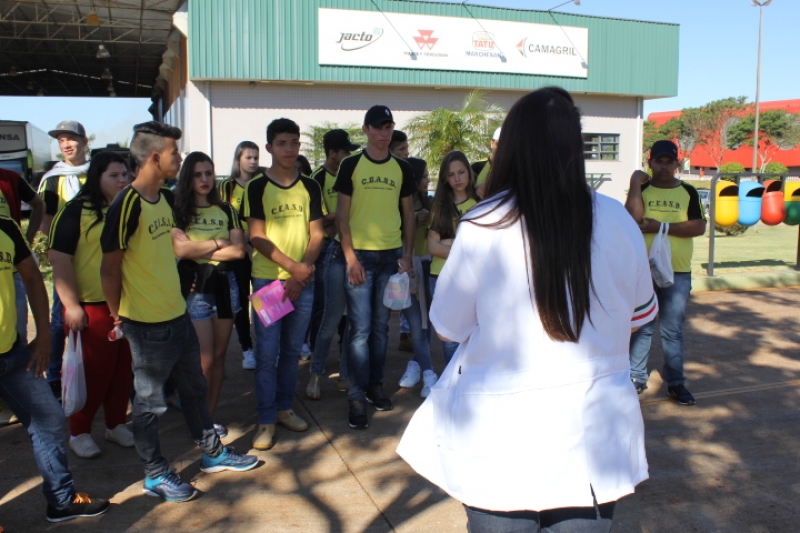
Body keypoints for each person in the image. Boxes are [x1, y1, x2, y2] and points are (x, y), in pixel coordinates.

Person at [397, 87, 658, 532]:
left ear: (512, 148)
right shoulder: (619, 221)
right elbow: (639, 318)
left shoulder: (483, 223)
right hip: (595, 442)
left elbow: (447, 328)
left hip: (502, 443)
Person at [100, 121, 257, 503]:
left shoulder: (166, 200)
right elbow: (109, 267)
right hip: (146, 323)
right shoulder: (127, 203)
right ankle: (155, 475)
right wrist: (118, 314)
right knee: (149, 405)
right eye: (175, 153)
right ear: (156, 157)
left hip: (177, 313)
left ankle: (212, 453)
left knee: (194, 388)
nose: (180, 158)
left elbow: (179, 247)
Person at [0, 215, 111, 522]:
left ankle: (61, 501)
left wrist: (44, 336)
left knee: (49, 419)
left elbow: (33, 278)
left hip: (13, 354)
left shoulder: (5, 227)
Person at [47, 151, 134, 459]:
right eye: (114, 175)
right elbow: (58, 259)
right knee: (91, 375)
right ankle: (79, 431)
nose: (122, 180)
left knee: (122, 373)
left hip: (127, 306)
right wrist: (71, 305)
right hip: (90, 308)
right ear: (97, 178)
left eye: (125, 174)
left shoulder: (127, 208)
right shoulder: (75, 211)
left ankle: (116, 424)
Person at [334, 105, 416, 429]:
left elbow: (409, 214)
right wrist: (351, 258)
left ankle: (374, 388)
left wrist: (407, 255)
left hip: (390, 258)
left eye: (389, 127)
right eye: (379, 127)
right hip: (361, 258)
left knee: (382, 328)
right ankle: (356, 397)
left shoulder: (401, 167)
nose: (384, 133)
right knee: (360, 330)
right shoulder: (351, 164)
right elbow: (342, 216)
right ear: (366, 130)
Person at [243, 118, 324, 450]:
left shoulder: (311, 187)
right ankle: (265, 419)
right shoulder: (257, 187)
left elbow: (316, 234)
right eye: (282, 143)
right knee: (267, 353)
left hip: (303, 280)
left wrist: (301, 272)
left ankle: (284, 408)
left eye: (294, 142)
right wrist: (292, 269)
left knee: (292, 352)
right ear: (269, 148)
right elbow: (257, 237)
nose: (289, 149)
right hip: (268, 280)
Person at [625, 139, 706, 404]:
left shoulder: (688, 192)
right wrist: (635, 184)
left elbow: (699, 226)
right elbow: (631, 219)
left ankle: (676, 382)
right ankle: (636, 378)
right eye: (658, 161)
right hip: (643, 270)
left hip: (677, 272)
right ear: (650, 163)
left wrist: (662, 226)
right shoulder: (642, 190)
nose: (663, 166)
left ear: (677, 164)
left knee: (672, 330)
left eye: (669, 162)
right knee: (642, 326)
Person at [173, 152, 246, 437]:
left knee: (218, 358)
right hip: (196, 290)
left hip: (226, 287)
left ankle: (208, 421)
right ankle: (199, 420)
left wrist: (198, 248)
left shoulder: (226, 209)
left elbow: (238, 251)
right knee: (202, 361)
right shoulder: (179, 210)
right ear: (187, 177)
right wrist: (218, 241)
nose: (204, 179)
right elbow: (181, 250)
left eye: (208, 173)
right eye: (197, 174)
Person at [39, 120, 91, 400]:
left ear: (85, 141)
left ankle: (93, 373)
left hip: (96, 259)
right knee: (60, 321)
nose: (66, 144)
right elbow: (45, 221)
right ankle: (54, 377)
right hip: (66, 260)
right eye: (61, 140)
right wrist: (56, 250)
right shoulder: (52, 179)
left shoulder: (97, 173)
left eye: (71, 138)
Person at [306, 129, 359, 400]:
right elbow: (313, 221)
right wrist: (336, 216)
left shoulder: (351, 174)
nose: (349, 155)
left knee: (350, 321)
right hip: (327, 249)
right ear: (332, 153)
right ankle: (315, 374)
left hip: (353, 250)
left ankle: (345, 375)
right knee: (328, 316)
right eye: (345, 151)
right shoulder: (316, 179)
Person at [0, 167, 45, 425]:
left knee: (14, 332)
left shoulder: (11, 178)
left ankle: (12, 401)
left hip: (13, 266)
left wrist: (27, 239)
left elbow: (38, 204)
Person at [426, 151, 480, 366]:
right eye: (451, 174)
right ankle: (453, 382)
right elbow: (432, 247)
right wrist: (464, 248)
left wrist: (448, 241)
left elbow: (483, 247)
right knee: (450, 340)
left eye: (461, 172)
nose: (457, 178)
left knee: (475, 335)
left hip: (474, 279)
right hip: (442, 277)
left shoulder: (481, 203)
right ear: (445, 178)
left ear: (469, 172)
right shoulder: (439, 206)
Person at [396, 157, 437, 398]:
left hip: (429, 266)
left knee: (426, 322)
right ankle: (429, 372)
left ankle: (415, 364)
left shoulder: (430, 203)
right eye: (423, 176)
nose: (427, 180)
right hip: (406, 269)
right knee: (416, 323)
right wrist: (410, 223)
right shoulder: (398, 205)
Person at [219, 141, 260, 370]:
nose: (253, 162)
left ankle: (268, 345)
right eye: (248, 157)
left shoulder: (261, 183)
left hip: (261, 248)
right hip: (238, 250)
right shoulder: (227, 186)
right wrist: (241, 239)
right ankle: (247, 349)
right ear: (238, 159)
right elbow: (223, 217)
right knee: (242, 300)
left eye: (256, 157)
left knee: (265, 296)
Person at [389, 130, 414, 353]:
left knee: (402, 296)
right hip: (270, 274)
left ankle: (406, 333)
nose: (406, 153)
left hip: (400, 248)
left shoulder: (404, 171)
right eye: (401, 149)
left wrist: (407, 253)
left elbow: (408, 215)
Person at [471, 126, 500, 199]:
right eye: (498, 144)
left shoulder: (516, 171)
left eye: (506, 145)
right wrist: (475, 189)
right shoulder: (475, 167)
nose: (501, 148)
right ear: (492, 143)